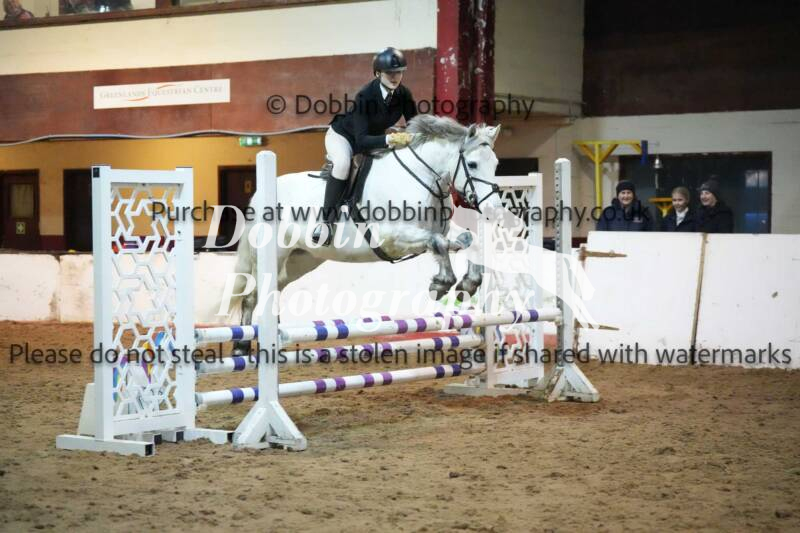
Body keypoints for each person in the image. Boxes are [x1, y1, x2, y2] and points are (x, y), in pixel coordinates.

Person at [312, 46, 418, 246]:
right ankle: (325, 223)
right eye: (389, 73)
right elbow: (361, 141)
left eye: (399, 72)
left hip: (374, 138)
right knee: (343, 164)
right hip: (343, 137)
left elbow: (415, 124)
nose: (395, 77)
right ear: (378, 73)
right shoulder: (365, 96)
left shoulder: (404, 94)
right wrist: (391, 139)